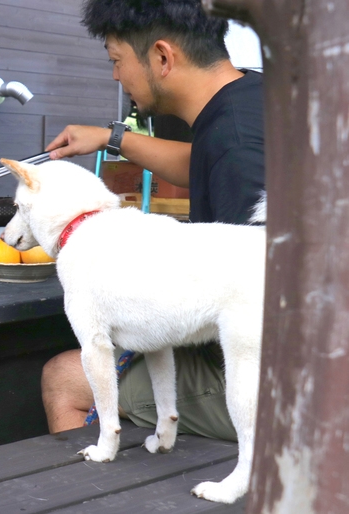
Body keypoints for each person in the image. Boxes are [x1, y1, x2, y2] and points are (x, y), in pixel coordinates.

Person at [40, 0, 265, 441]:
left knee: (65, 378)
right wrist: (111, 138)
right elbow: (199, 161)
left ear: (162, 57)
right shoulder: (251, 98)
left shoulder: (237, 146)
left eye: (116, 60)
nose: (115, 76)